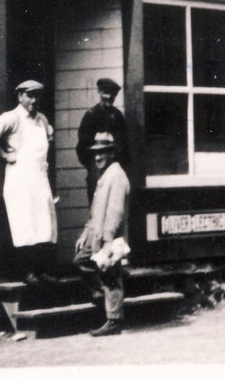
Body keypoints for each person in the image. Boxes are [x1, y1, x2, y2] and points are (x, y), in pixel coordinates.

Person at [0, 80, 60, 283]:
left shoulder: (42, 120)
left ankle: (42, 270)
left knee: (45, 224)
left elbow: (46, 145)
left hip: (40, 179)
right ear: (20, 96)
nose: (34, 100)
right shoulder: (12, 117)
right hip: (20, 180)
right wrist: (4, 154)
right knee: (25, 224)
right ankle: (27, 272)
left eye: (37, 96)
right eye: (29, 95)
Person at [76, 131, 130, 337]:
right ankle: (102, 299)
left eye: (103, 153)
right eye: (95, 153)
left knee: (111, 275)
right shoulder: (104, 175)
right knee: (80, 261)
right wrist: (85, 234)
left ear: (112, 153)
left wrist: (108, 241)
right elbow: (96, 210)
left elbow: (115, 211)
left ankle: (114, 320)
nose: (98, 157)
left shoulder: (116, 176)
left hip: (109, 236)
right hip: (96, 234)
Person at [76, 77, 129, 204]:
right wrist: (94, 167)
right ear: (99, 92)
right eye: (106, 93)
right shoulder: (91, 116)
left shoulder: (118, 117)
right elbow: (82, 147)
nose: (109, 97)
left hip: (114, 169)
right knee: (97, 208)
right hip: (97, 171)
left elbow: (124, 146)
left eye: (112, 94)